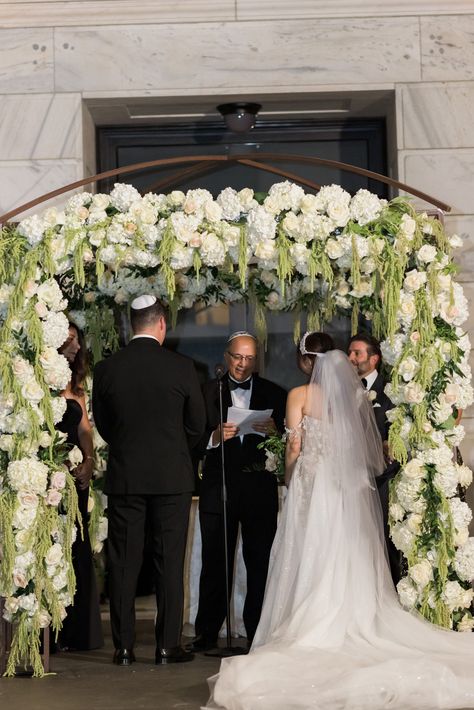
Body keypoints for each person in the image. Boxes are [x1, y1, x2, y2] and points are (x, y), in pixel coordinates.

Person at [205, 332, 474, 710]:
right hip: (345, 492)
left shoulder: (298, 397)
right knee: (345, 554)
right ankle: (348, 617)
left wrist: (287, 475)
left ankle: (308, 624)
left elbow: (295, 447)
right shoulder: (352, 397)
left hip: (312, 490)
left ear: (305, 362)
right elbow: (364, 450)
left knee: (308, 553)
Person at [92, 295, 205, 666]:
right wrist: (174, 452)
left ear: (131, 325)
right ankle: (166, 646)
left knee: (124, 563)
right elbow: (196, 426)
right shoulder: (183, 367)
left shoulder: (108, 369)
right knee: (169, 562)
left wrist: (129, 449)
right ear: (161, 324)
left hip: (126, 477)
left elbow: (105, 426)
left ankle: (123, 647)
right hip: (172, 478)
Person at [192, 331, 287, 651]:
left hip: (258, 490)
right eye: (237, 357)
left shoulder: (275, 393)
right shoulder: (206, 392)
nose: (242, 365)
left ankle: (258, 630)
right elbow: (191, 438)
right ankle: (206, 632)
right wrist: (214, 437)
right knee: (215, 562)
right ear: (225, 356)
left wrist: (276, 433)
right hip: (218, 488)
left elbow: (290, 441)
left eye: (249, 359)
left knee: (260, 562)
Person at [57, 322, 103, 651]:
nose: (76, 348)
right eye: (70, 341)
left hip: (77, 476)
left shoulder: (77, 385)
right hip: (51, 472)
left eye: (77, 342)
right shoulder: (40, 382)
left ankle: (78, 631)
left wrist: (88, 459)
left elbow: (84, 426)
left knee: (78, 544)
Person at [348, 333, 401, 584]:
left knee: (386, 545)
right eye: (350, 353)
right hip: (350, 484)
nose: (351, 358)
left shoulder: (391, 392)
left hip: (382, 483)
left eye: (356, 353)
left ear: (374, 359)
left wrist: (382, 466)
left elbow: (400, 439)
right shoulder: (344, 390)